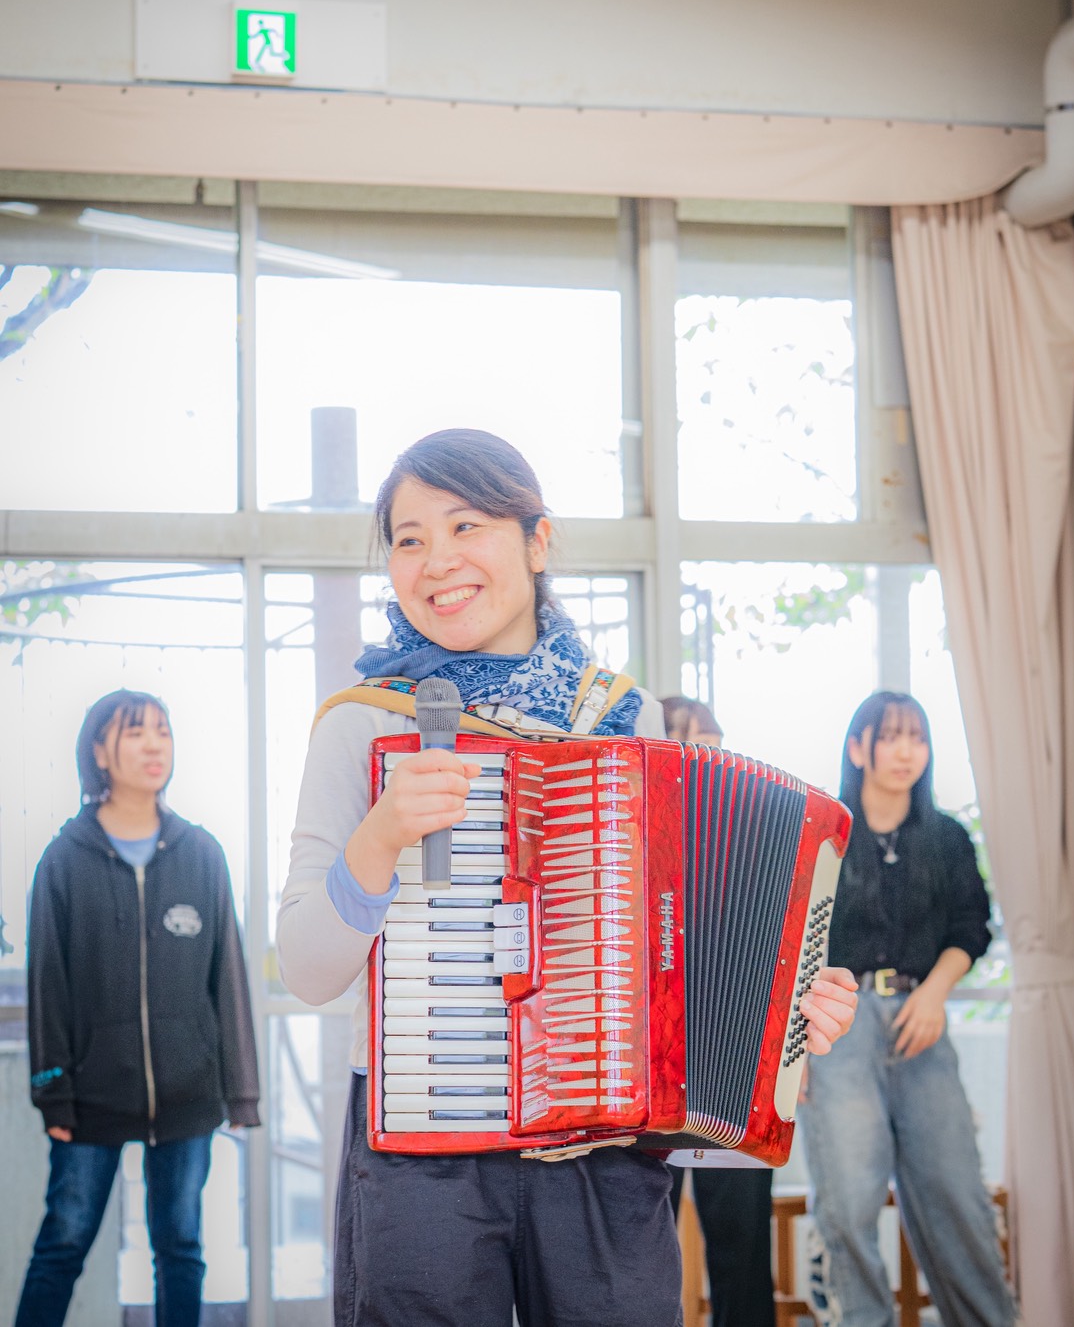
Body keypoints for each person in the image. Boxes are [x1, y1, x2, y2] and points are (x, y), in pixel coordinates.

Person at [276, 427, 858, 1327]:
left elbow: (682, 943)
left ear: (538, 540)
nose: (437, 561)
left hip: (605, 1149)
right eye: (409, 538)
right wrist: (382, 836)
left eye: (466, 525)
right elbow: (310, 972)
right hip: (421, 1147)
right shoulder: (361, 725)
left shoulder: (630, 719)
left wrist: (790, 1003)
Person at [15, 689, 261, 1327]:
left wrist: (242, 1094)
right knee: (63, 1246)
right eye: (135, 733)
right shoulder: (63, 861)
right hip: (91, 1097)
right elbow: (49, 986)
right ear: (99, 750)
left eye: (163, 731)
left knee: (180, 1249)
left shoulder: (201, 854)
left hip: (187, 1095)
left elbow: (227, 978)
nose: (154, 745)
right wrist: (54, 1092)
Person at [799, 690, 1015, 1327]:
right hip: (839, 1027)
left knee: (957, 1195)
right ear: (858, 746)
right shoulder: (824, 833)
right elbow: (791, 941)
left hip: (922, 1019)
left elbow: (971, 927)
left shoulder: (947, 837)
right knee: (847, 1204)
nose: (905, 751)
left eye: (916, 737)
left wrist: (935, 994)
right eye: (889, 736)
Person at [661, 696, 776, 1327]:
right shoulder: (631, 833)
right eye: (696, 737)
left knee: (742, 1245)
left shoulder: (754, 834)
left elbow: (778, 960)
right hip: (652, 1077)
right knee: (641, 1249)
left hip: (736, 1069)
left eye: (718, 738)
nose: (714, 752)